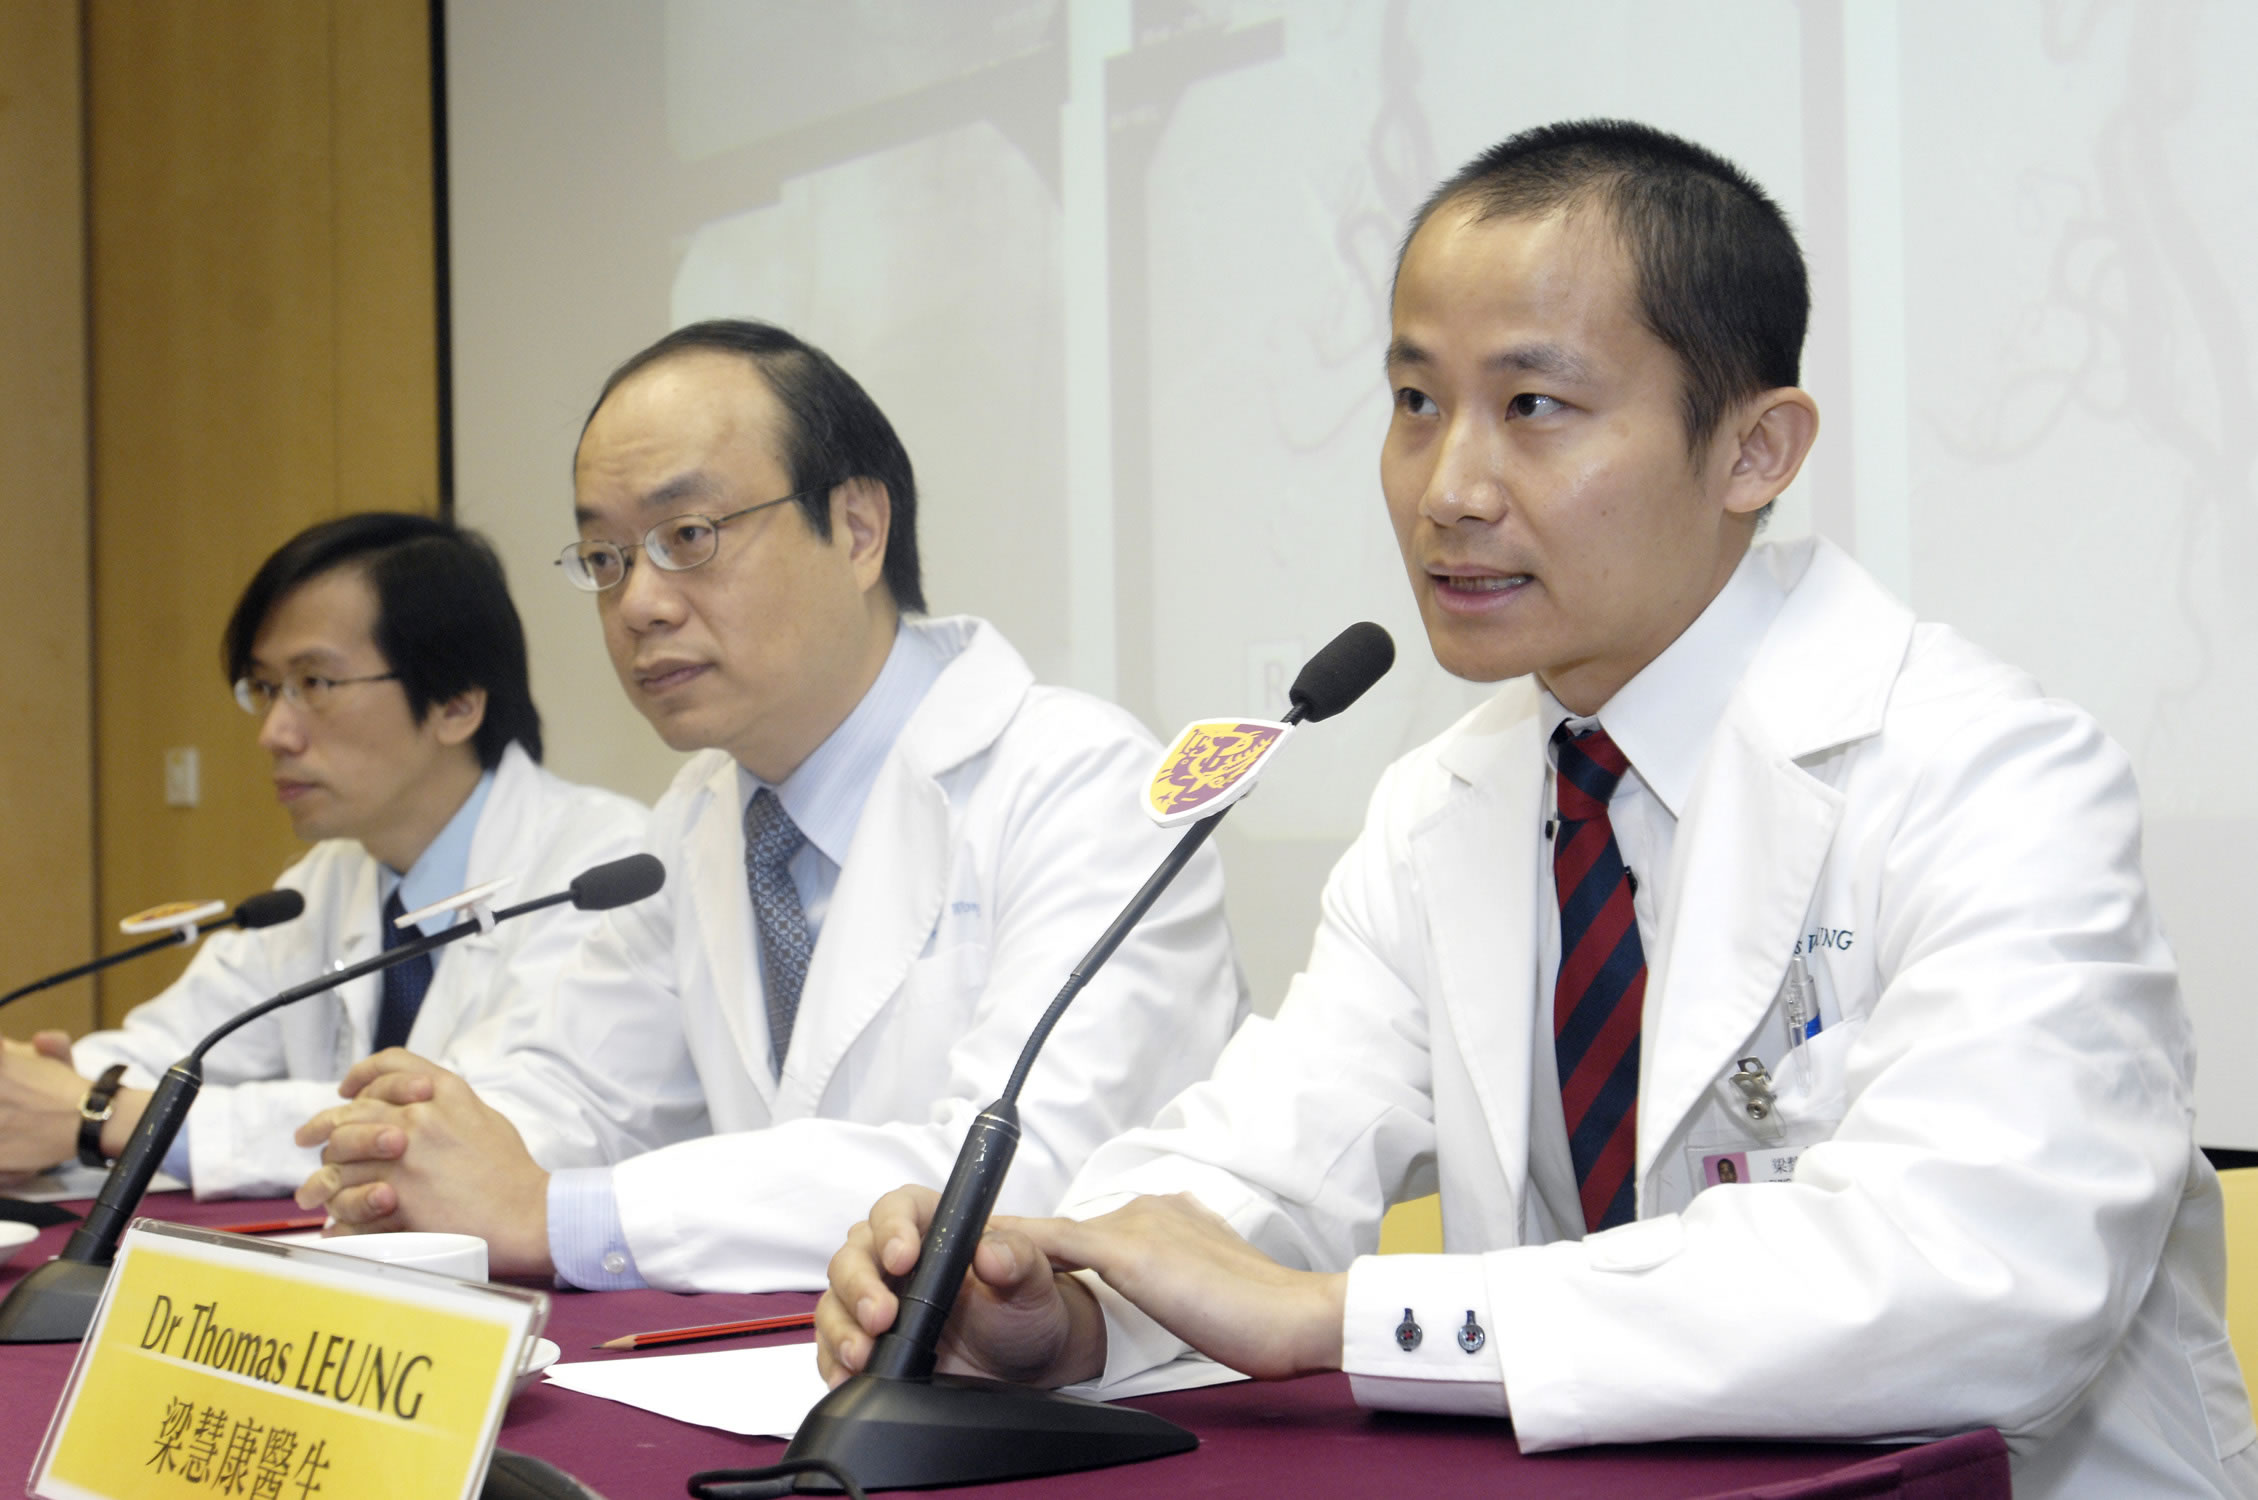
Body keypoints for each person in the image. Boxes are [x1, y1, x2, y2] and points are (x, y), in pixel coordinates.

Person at [815, 121, 2256, 1498]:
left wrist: (1343, 1318)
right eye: (1414, 403)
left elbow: (1981, 1283)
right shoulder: (1445, 803)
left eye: (1534, 408)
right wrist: (1062, 1300)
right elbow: (1266, 1155)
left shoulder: (1989, 773)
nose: (1446, 489)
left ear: (1755, 450)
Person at [292, 321, 1245, 1292]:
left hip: (1098, 1414)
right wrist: (427, 1151)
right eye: (605, 557)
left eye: (688, 537)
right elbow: (586, 1088)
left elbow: (1029, 1171)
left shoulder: (1080, 782)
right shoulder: (698, 815)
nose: (639, 605)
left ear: (859, 530)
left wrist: (557, 1215)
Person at [0, 513, 648, 1198]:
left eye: (315, 684)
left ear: (456, 705)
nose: (275, 733)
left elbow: (484, 1127)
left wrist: (104, 1114)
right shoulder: (322, 883)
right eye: (266, 688)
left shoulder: (599, 870)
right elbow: (177, 1045)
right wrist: (41, 1090)